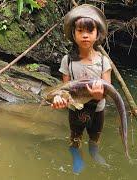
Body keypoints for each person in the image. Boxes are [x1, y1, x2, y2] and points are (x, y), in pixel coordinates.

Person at [51, 4, 112, 174]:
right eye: (80, 31)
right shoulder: (67, 61)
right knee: (75, 138)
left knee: (95, 137)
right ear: (74, 34)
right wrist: (60, 100)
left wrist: (100, 96)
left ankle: (94, 152)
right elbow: (65, 89)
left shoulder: (103, 61)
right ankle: (76, 156)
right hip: (75, 110)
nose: (85, 35)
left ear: (97, 34)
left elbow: (107, 90)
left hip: (97, 109)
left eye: (89, 31)